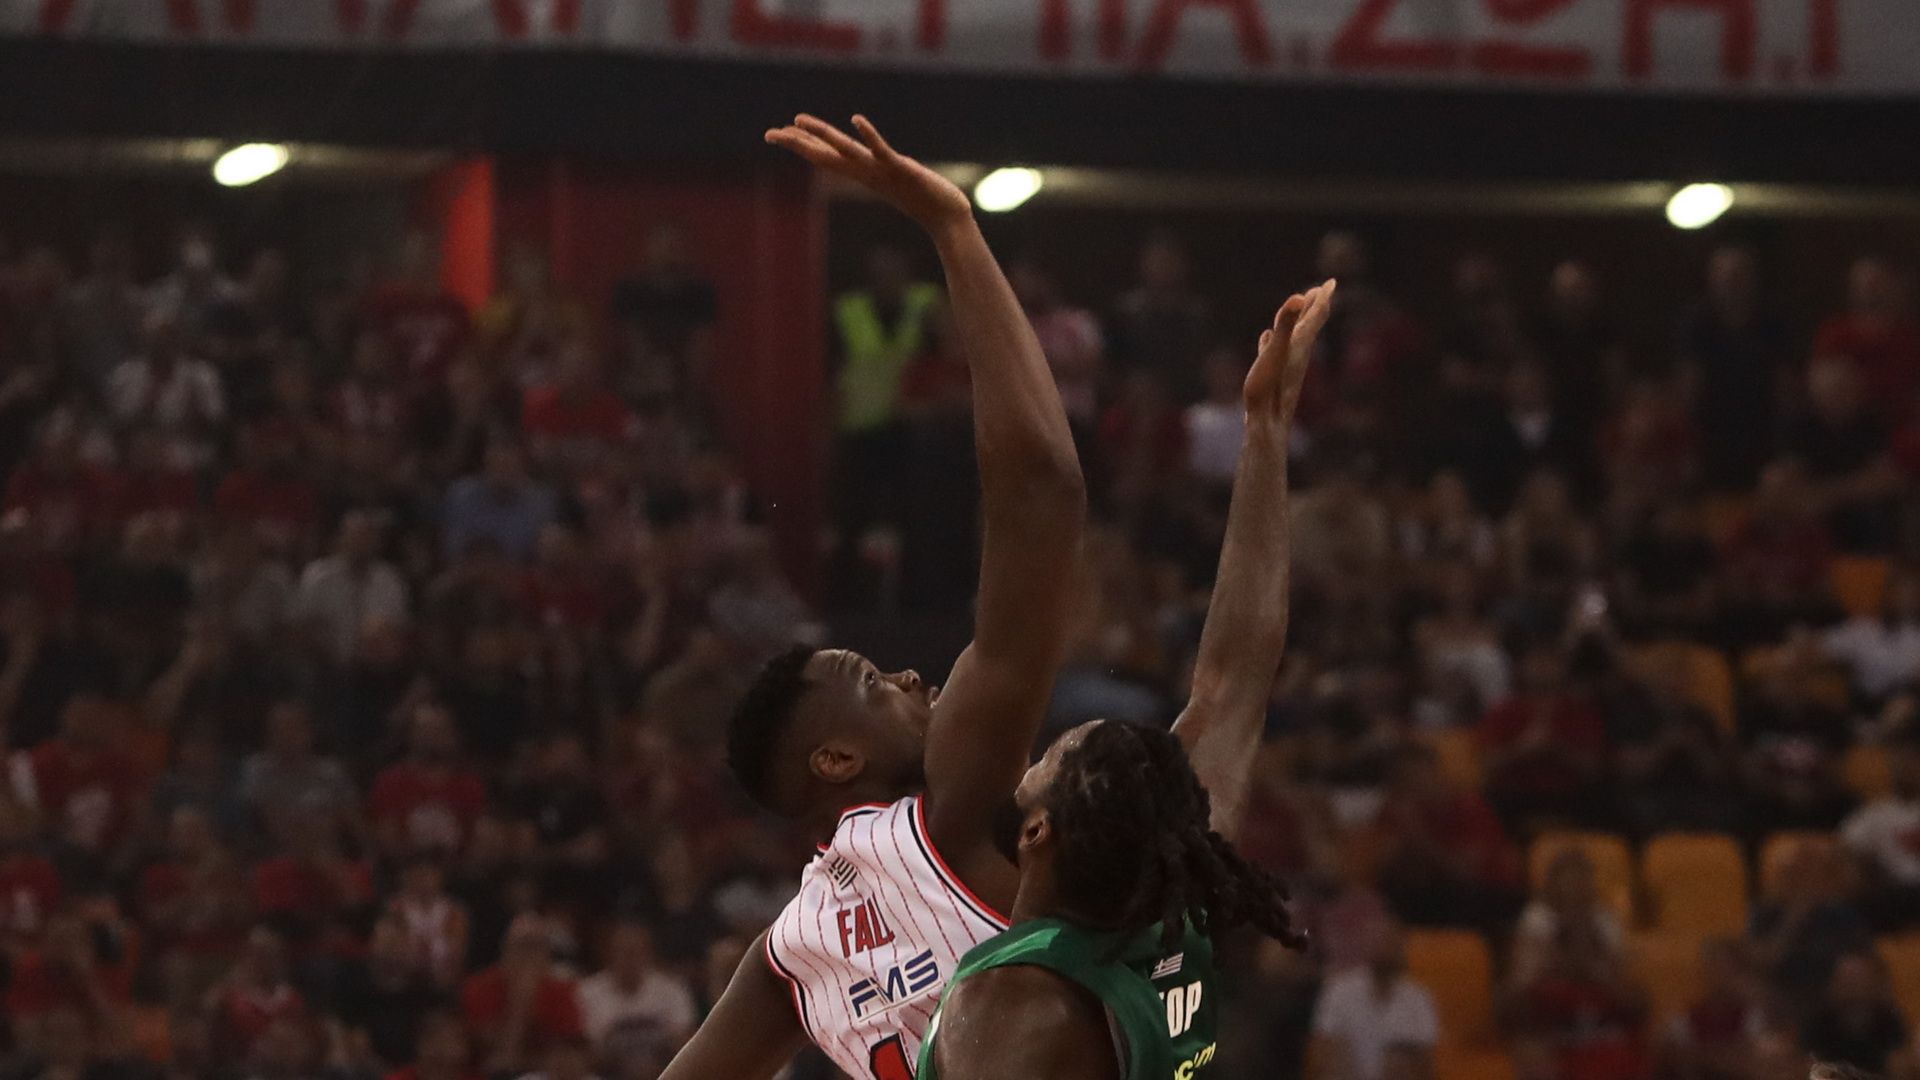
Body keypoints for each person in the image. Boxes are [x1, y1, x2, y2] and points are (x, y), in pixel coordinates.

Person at [663, 114, 1330, 1080]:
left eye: (1046, 761)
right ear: (838, 759)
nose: (909, 675)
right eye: (875, 681)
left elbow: (1054, 506)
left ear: (1039, 830)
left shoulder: (797, 949)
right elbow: (1229, 680)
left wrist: (957, 233)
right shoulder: (1123, 862)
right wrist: (1264, 435)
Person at [914, 718, 1305, 1080]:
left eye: (1047, 756)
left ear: (1035, 831)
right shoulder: (1179, 932)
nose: (1032, 762)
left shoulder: (1016, 999)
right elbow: (1223, 706)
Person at [1306, 920, 1440, 1080]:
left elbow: (1426, 1066)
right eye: (1381, 941)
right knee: (1337, 1052)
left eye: (1392, 943)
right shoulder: (1339, 990)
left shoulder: (1419, 998)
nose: (1386, 949)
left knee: (1400, 1060)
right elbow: (1320, 1051)